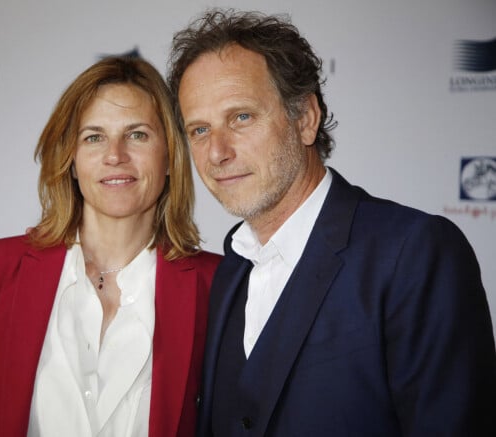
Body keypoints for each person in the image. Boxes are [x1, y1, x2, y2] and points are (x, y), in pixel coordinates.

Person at [167, 9, 496, 436]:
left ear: (305, 118)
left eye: (241, 117)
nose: (217, 152)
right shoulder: (229, 270)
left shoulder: (415, 254)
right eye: (199, 130)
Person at [0, 56, 221, 437]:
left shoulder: (217, 286)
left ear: (169, 157)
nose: (115, 155)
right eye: (93, 137)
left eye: (137, 135)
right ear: (72, 160)